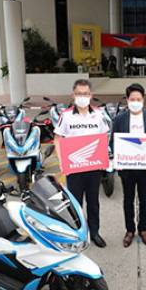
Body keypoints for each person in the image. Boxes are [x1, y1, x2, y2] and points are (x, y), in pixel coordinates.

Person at [54, 79, 110, 248]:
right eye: (79, 93)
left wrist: (103, 157)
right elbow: (58, 139)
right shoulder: (66, 115)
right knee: (75, 203)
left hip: (94, 167)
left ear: (91, 95)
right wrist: (62, 161)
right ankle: (77, 234)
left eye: (85, 94)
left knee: (93, 202)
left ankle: (95, 233)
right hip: (74, 168)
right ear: (73, 95)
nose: (82, 97)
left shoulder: (99, 114)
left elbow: (104, 137)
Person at [112, 83, 146, 248]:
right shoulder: (119, 119)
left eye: (138, 99)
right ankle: (130, 230)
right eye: (132, 99)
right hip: (126, 168)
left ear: (143, 100)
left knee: (145, 199)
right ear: (127, 100)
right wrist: (118, 160)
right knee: (128, 199)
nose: (135, 102)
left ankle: (143, 229)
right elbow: (113, 142)